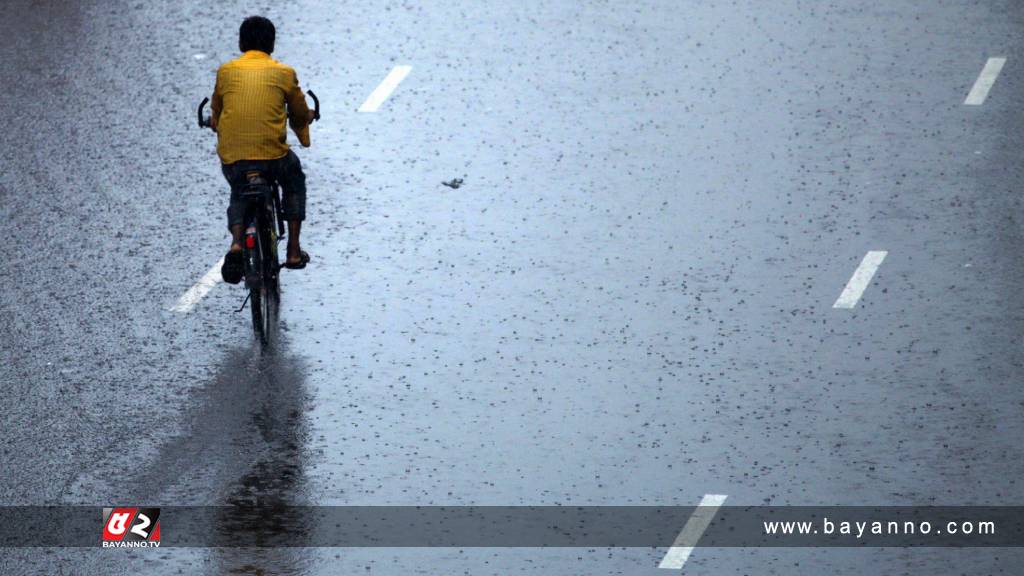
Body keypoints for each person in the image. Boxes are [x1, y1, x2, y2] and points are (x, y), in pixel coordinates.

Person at [210, 15, 315, 284]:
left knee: (238, 189)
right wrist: (307, 119)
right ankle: (292, 251)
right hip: (273, 157)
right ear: (272, 44)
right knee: (294, 182)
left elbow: (217, 114)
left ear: (241, 42)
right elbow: (299, 112)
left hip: (236, 158)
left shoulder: (226, 72)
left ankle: (236, 243)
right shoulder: (283, 73)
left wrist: (214, 123)